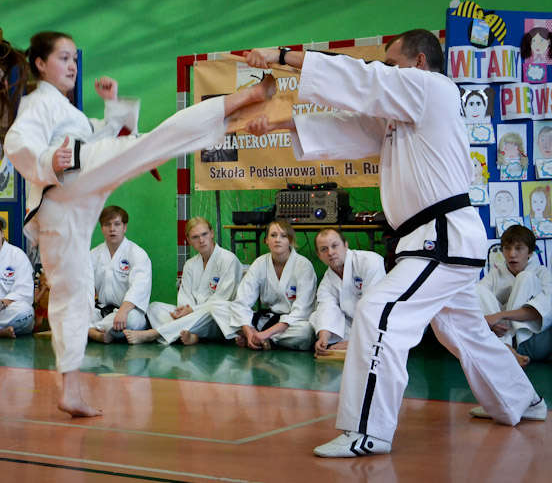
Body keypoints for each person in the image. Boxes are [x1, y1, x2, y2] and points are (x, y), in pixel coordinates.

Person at [244, 29, 546, 458]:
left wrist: (281, 55)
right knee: (463, 330)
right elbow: (349, 129)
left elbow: (365, 78)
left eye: (393, 63)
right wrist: (277, 122)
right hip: (436, 239)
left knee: (378, 311)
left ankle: (367, 431)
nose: (386, 71)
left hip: (440, 236)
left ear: (419, 62)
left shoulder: (432, 89)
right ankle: (523, 400)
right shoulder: (402, 116)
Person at [0, 27, 275, 417]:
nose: (72, 66)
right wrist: (48, 160)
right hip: (66, 184)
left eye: (74, 59)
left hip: (67, 203)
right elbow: (16, 141)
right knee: (152, 143)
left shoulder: (68, 111)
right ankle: (239, 104)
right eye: (63, 58)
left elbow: (99, 136)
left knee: (72, 291)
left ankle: (70, 390)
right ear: (40, 64)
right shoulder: (37, 103)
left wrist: (112, 107)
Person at [124, 216, 243, 345]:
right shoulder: (190, 264)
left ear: (212, 233)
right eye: (195, 237)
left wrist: (192, 310)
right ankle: (193, 336)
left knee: (215, 308)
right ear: (189, 240)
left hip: (217, 319)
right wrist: (185, 311)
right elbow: (185, 297)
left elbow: (223, 299)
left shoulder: (228, 259)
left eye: (204, 234)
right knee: (154, 308)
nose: (201, 240)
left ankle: (154, 333)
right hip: (193, 318)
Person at [233, 218, 316, 351]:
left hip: (292, 323)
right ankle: (255, 337)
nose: (278, 240)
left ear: (290, 240)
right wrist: (249, 331)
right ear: (266, 240)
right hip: (268, 319)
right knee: (224, 309)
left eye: (283, 236)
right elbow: (242, 301)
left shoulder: (303, 265)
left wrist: (266, 334)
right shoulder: (260, 263)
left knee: (306, 332)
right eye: (273, 235)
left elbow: (302, 310)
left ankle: (267, 340)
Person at [476, 225, 552, 366]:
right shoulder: (495, 274)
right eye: (507, 248)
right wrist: (487, 322)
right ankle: (507, 348)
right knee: (477, 290)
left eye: (518, 248)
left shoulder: (542, 273)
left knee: (525, 277)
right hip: (502, 339)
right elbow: (476, 301)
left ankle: (505, 348)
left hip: (531, 340)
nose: (512, 254)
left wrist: (500, 316)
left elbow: (540, 311)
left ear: (530, 252)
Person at [311, 229, 385, 357]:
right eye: (324, 249)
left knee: (384, 329)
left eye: (335, 246)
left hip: (378, 321)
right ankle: (355, 342)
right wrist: (323, 338)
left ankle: (361, 343)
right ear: (319, 255)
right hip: (355, 324)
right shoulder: (327, 282)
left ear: (345, 245)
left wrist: (355, 342)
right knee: (316, 317)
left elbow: (375, 306)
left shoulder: (369, 261)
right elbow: (327, 308)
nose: (330, 252)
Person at [88, 206, 151, 343]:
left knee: (131, 320)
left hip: (128, 311)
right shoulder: (93, 255)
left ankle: (90, 331)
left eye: (117, 224)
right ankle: (98, 332)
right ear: (102, 228)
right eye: (107, 224)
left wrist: (123, 311)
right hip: (102, 310)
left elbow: (139, 288)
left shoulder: (137, 254)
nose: (112, 229)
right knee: (72, 313)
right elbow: (85, 287)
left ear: (124, 227)